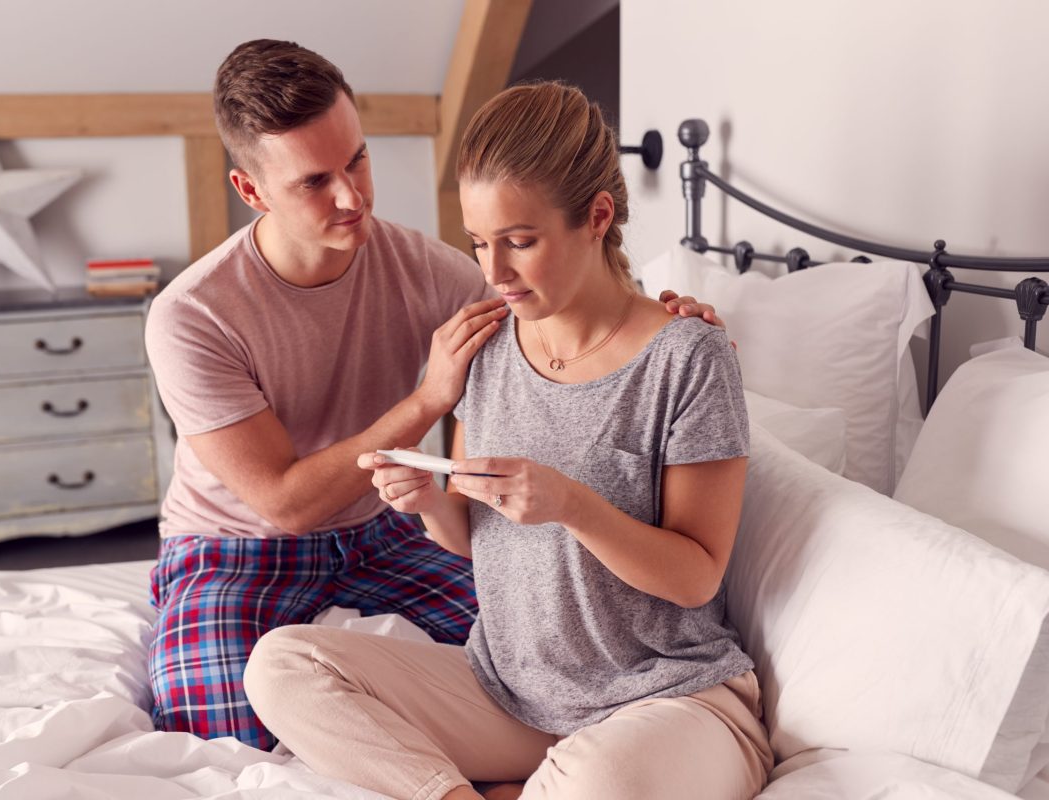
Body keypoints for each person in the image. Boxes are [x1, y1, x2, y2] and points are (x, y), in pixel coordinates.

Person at [144, 40, 726, 751]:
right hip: (234, 547)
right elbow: (284, 503)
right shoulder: (193, 314)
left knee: (530, 673)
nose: (352, 197)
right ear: (252, 192)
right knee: (230, 742)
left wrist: (661, 317)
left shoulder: (428, 270)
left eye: (357, 160)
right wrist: (427, 401)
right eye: (314, 181)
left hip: (383, 531)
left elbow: (558, 294)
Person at [244, 80, 772, 800]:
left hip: (667, 698)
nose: (494, 273)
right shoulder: (485, 347)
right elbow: (478, 538)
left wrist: (573, 506)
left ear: (597, 216)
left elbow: (696, 575)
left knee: (604, 779)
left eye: (520, 242)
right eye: (480, 244)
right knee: (281, 665)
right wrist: (431, 500)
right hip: (510, 695)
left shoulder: (686, 358)